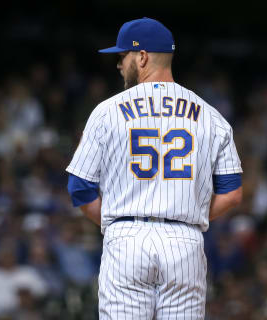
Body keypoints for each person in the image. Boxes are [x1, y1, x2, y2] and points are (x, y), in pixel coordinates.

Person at [66, 17, 243, 319]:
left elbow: (79, 188)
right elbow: (233, 193)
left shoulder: (107, 112)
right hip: (185, 242)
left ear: (143, 56)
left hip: (127, 237)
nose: (119, 64)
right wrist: (189, 215)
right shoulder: (211, 117)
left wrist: (115, 223)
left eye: (122, 56)